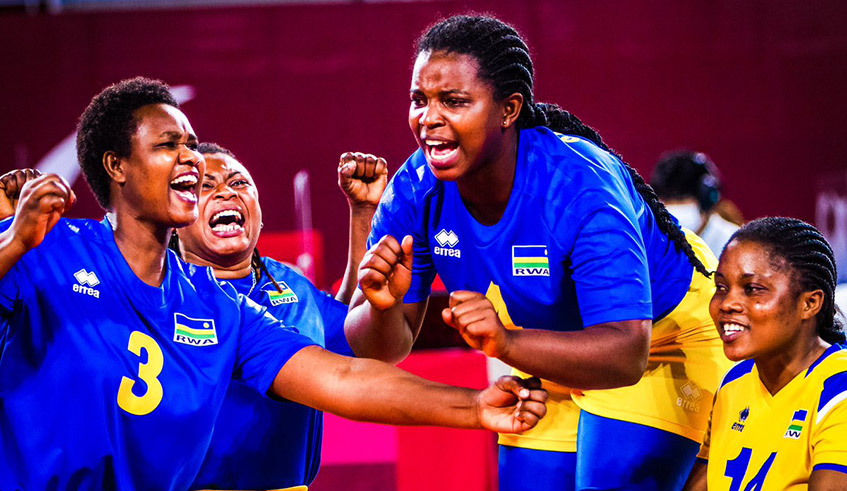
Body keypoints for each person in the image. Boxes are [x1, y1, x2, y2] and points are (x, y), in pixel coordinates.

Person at [0, 77, 548, 491]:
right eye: (170, 144)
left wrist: (473, 407)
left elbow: (345, 376)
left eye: (191, 144)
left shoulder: (218, 305)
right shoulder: (48, 246)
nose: (191, 157)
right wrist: (12, 245)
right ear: (116, 166)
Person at [343, 15, 734, 491]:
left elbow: (627, 354)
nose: (428, 118)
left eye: (454, 101)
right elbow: (379, 348)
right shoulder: (415, 190)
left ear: (509, 109)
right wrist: (383, 310)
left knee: (608, 480)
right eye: (418, 100)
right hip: (546, 349)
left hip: (659, 342)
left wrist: (506, 343)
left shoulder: (578, 186)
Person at [170, 142, 387, 489]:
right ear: (176, 218)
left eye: (239, 183)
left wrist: (363, 212)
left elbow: (352, 337)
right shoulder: (160, 294)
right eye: (205, 186)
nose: (226, 192)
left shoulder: (289, 284)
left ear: (259, 211)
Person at [682, 217, 847, 490]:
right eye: (721, 288)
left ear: (810, 303)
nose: (727, 303)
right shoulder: (733, 384)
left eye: (752, 289)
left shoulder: (838, 389)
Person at [650, 150, 740, 256]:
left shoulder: (734, 244)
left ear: (707, 200)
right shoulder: (648, 241)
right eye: (667, 200)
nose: (675, 207)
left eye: (681, 199)